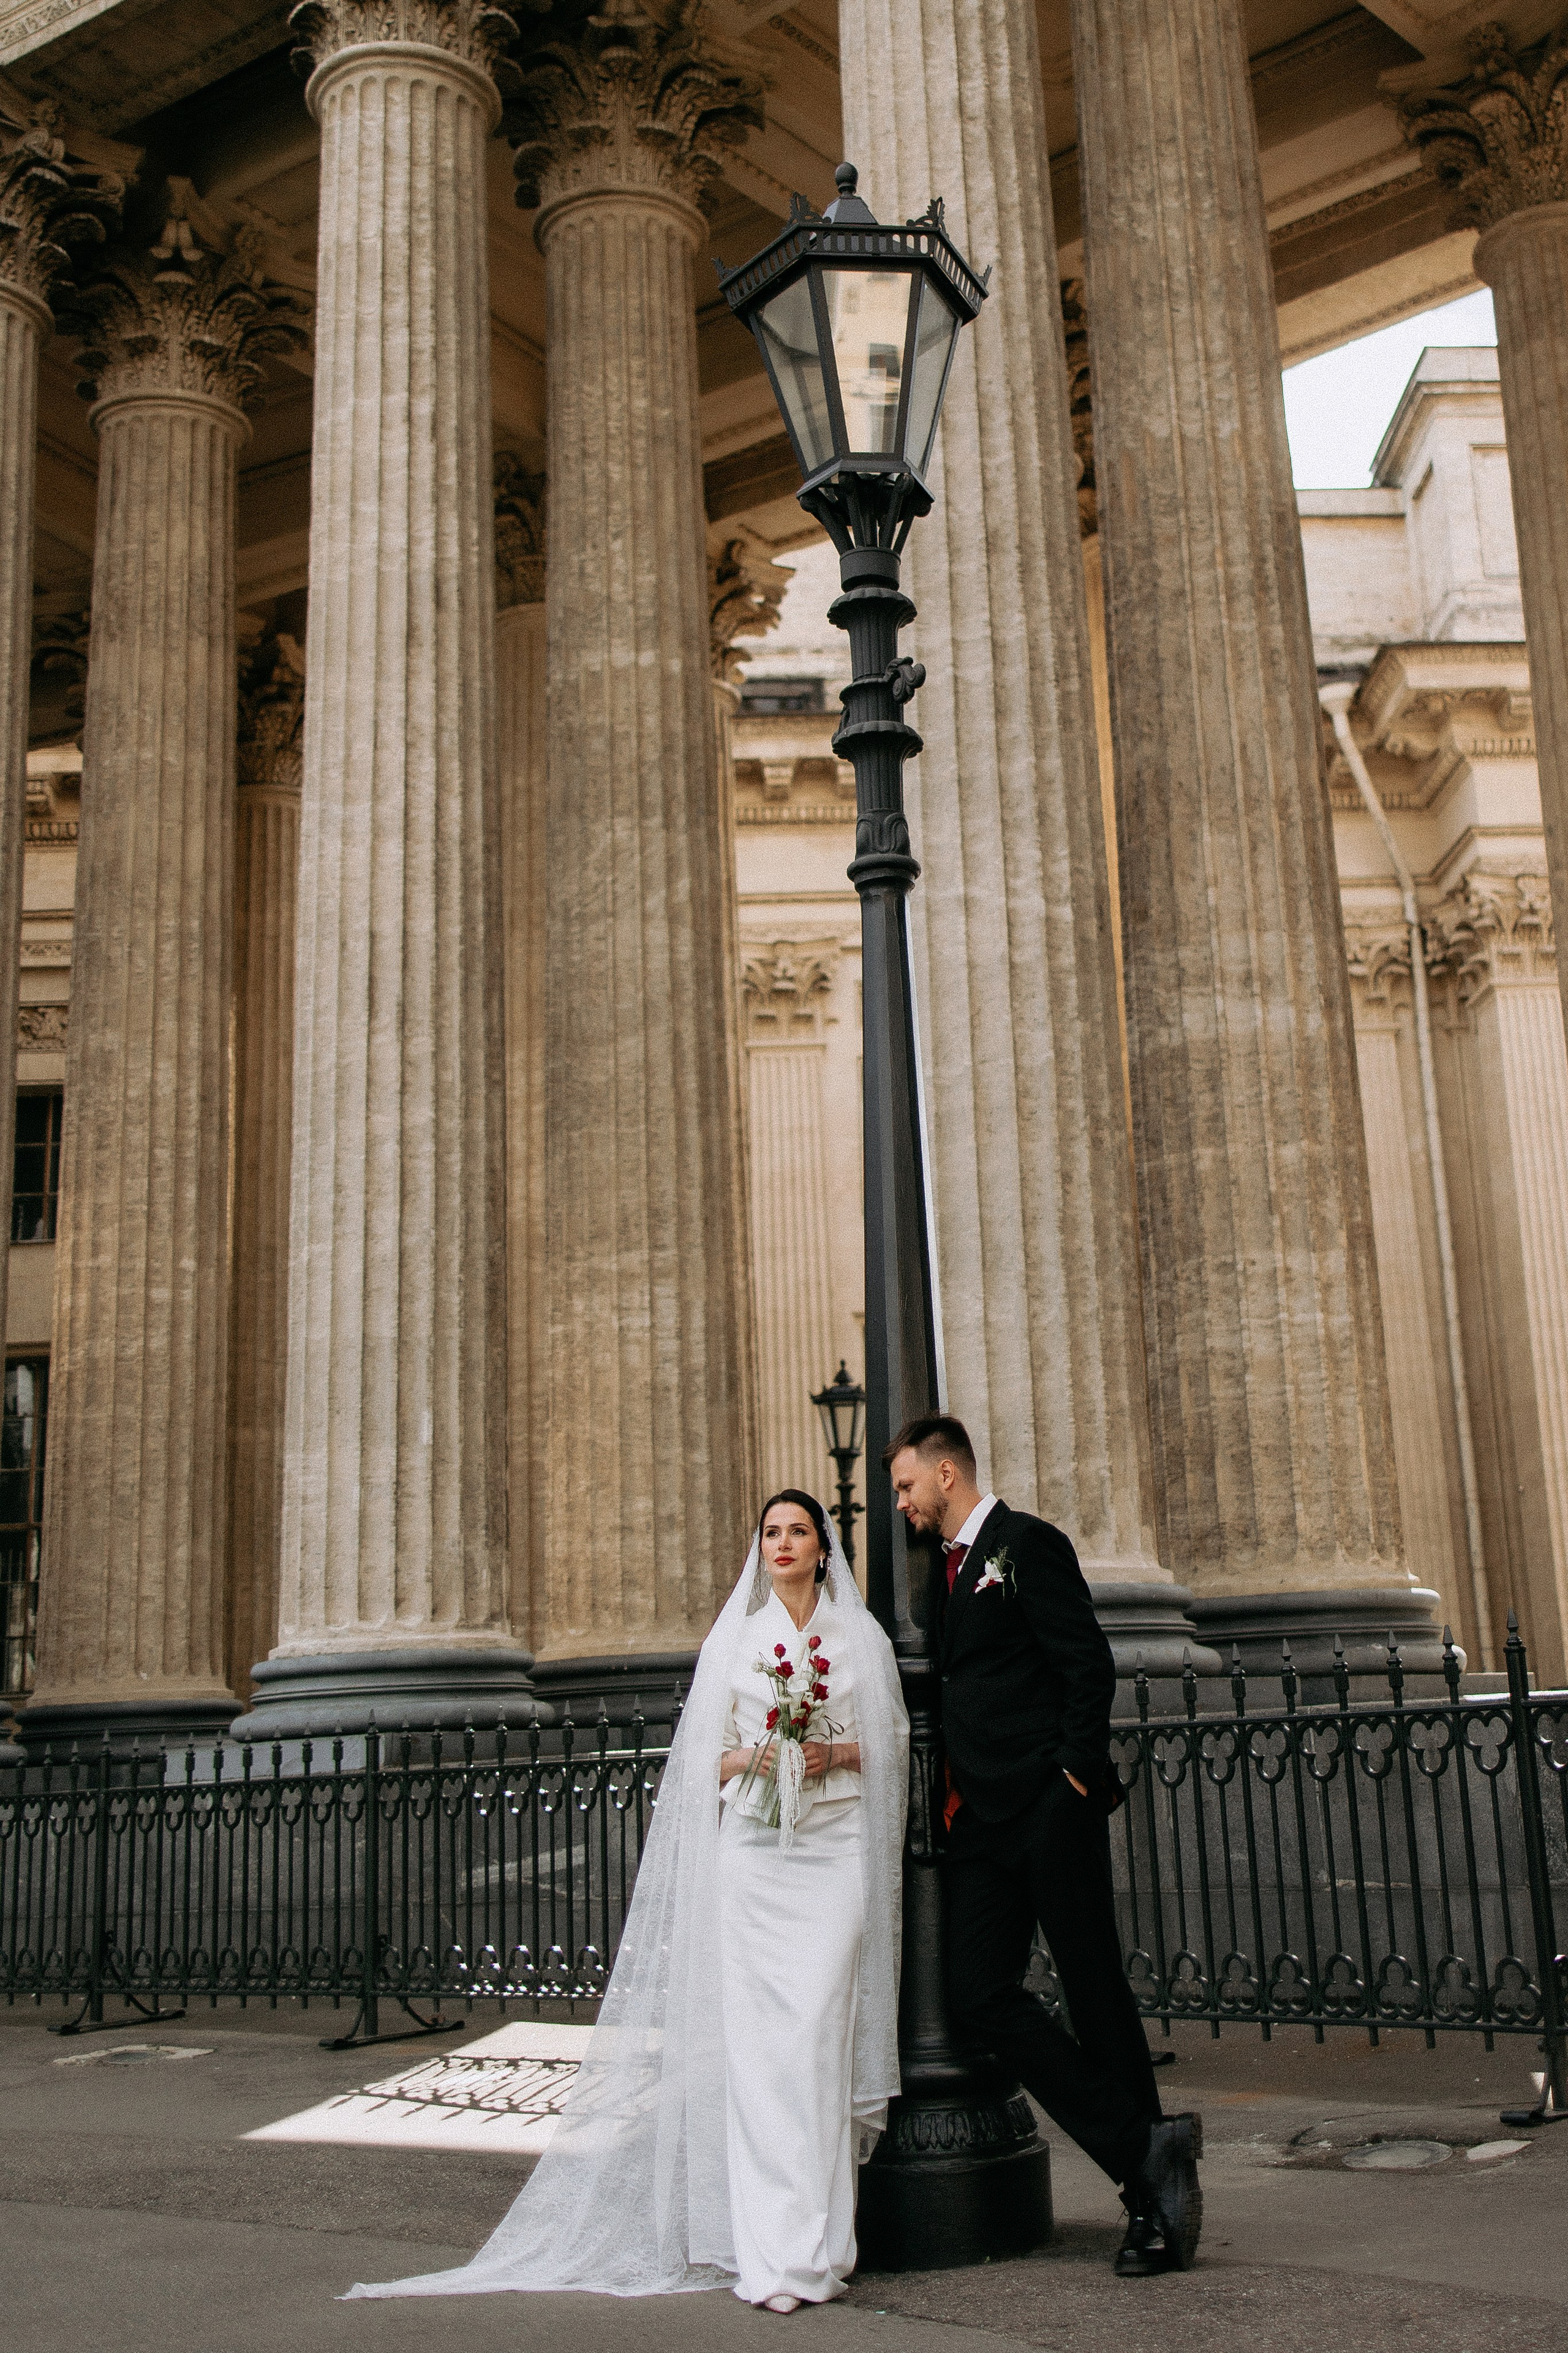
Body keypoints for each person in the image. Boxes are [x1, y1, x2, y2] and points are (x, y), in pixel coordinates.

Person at [342, 1489, 908, 2310]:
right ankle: (773, 2255)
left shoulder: (861, 1639)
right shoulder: (738, 1643)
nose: (784, 1542)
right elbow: (700, 1764)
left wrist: (832, 1751)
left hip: (831, 1857)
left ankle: (824, 2243)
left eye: (799, 1532)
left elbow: (889, 1745)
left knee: (817, 2046)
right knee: (761, 2062)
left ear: (825, 1548)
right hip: (756, 1862)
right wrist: (760, 1755)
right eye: (772, 1532)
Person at [884, 1413, 1202, 2279]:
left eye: (908, 1485)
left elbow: (1085, 1665)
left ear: (947, 1474)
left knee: (1095, 1988)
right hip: (979, 1825)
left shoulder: (1026, 1544)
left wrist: (1070, 1781)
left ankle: (1153, 2207)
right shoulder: (943, 1573)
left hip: (1046, 1810)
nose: (902, 1503)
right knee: (979, 1991)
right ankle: (1145, 2143)